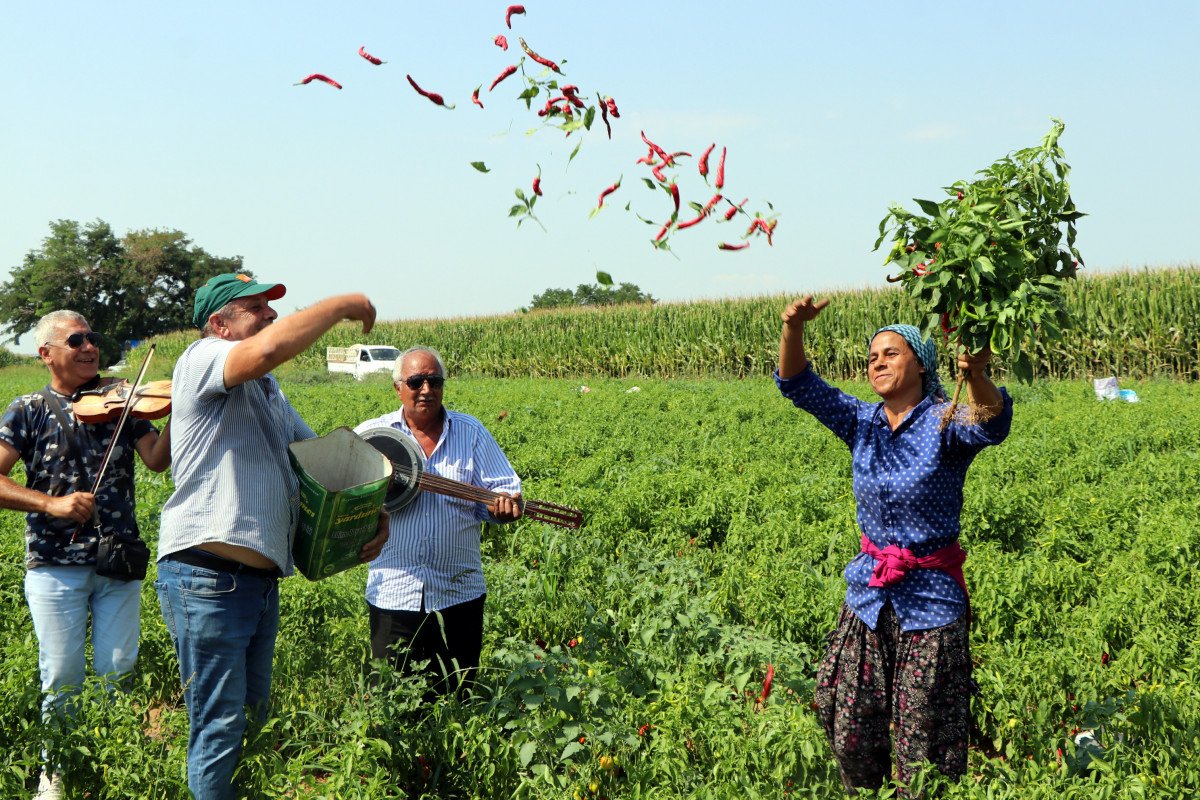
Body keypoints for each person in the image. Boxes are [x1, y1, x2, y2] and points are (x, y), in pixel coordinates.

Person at [154, 273, 388, 800]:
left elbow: (319, 456)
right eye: (255, 307)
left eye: (269, 307)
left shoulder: (266, 389)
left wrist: (374, 508)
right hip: (208, 578)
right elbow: (265, 352)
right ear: (219, 324)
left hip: (256, 588)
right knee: (218, 728)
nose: (269, 315)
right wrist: (340, 306)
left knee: (253, 719)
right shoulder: (202, 358)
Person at [776, 296, 1012, 794]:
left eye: (891, 353)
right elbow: (798, 385)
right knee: (850, 727)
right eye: (872, 357)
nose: (877, 363)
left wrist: (975, 375)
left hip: (929, 605)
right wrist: (792, 328)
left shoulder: (945, 423)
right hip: (868, 597)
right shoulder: (861, 423)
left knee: (923, 748)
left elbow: (992, 421)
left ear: (922, 364)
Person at [0, 310, 171, 799]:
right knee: (61, 673)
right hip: (54, 564)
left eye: (92, 338)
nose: (89, 347)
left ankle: (111, 768)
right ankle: (54, 777)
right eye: (76, 340)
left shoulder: (122, 400)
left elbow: (156, 460)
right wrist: (50, 502)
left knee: (118, 667)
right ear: (46, 353)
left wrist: (181, 407)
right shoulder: (27, 408)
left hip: (118, 558)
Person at [355, 346, 522, 698]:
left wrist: (499, 509)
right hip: (394, 590)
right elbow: (341, 490)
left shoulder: (470, 432)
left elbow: (503, 490)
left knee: (461, 694)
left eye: (435, 380)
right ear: (397, 387)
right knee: (393, 697)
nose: (426, 389)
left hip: (459, 590)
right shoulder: (372, 435)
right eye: (416, 381)